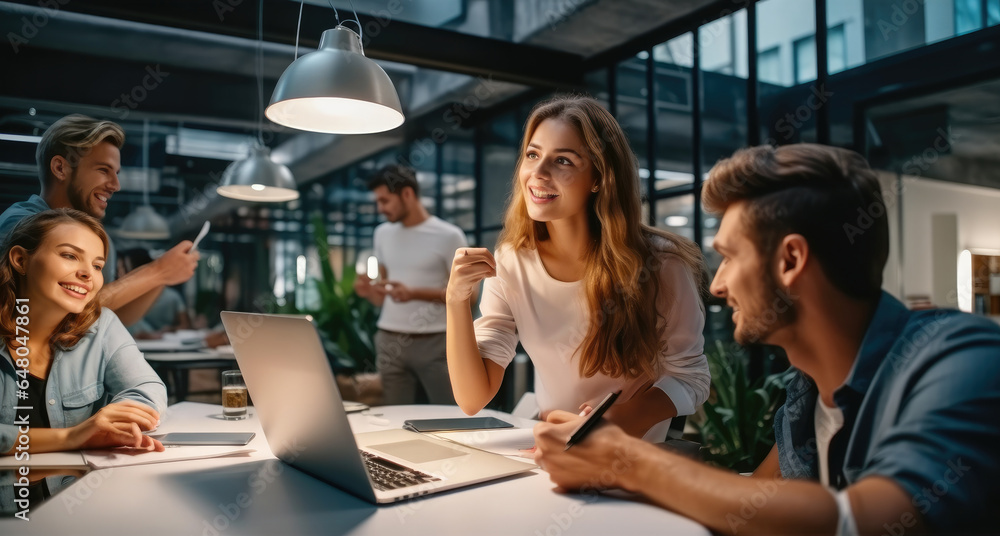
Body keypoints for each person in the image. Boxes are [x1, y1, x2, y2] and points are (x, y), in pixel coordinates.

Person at [532, 144, 1000, 534]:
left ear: (791, 260)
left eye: (731, 257)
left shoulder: (963, 361)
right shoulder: (807, 391)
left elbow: (868, 523)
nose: (718, 285)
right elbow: (753, 510)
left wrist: (624, 458)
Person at [446, 95, 710, 441]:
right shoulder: (511, 261)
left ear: (599, 177)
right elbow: (471, 398)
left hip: (633, 455)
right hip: (551, 449)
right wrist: (455, 299)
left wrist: (619, 419)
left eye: (564, 161)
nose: (538, 174)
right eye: (532, 155)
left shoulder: (661, 264)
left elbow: (691, 377)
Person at [0, 114, 199, 327]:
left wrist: (163, 277)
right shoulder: (20, 225)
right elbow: (54, 314)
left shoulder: (100, 242)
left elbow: (109, 314)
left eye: (116, 173)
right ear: (60, 168)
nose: (115, 185)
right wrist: (156, 271)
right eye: (103, 170)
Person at [1, 209, 167, 458]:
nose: (88, 274)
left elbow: (148, 388)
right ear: (20, 260)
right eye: (70, 255)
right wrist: (74, 435)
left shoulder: (101, 325)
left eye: (97, 265)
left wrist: (118, 420)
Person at [353, 165, 468, 405]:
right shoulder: (382, 234)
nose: (380, 208)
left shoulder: (450, 236)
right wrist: (369, 292)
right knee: (396, 419)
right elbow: (384, 295)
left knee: (451, 415)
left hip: (436, 342)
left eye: (385, 200)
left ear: (407, 194)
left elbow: (468, 296)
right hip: (389, 339)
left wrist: (414, 293)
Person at [117, 248, 191, 338]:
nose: (121, 276)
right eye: (120, 269)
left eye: (125, 269)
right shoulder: (122, 300)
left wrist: (169, 331)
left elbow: (185, 325)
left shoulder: (172, 296)